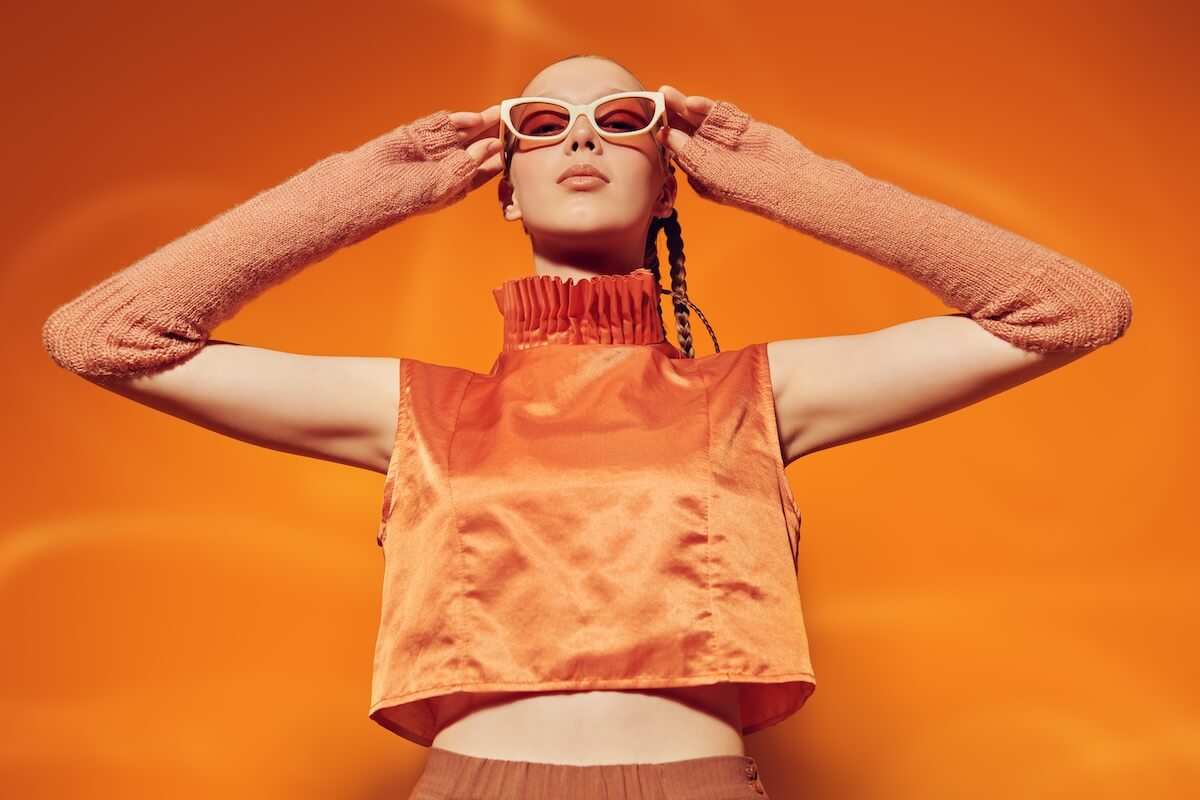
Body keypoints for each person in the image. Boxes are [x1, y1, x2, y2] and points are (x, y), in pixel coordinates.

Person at [40, 52, 1133, 800]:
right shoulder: (418, 409)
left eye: (620, 121)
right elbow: (103, 336)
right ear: (502, 182)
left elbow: (1069, 310)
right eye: (540, 124)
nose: (581, 139)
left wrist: (784, 179)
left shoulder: (757, 394)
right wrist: (377, 184)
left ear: (669, 182)